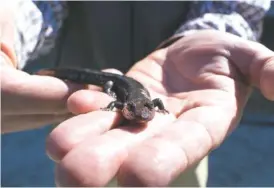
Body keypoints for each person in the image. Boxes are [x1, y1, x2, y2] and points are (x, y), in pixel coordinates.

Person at [1, 0, 274, 187]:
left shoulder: (144, 107)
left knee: (165, 172)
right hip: (82, 100)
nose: (143, 117)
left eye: (147, 113)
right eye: (138, 112)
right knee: (81, 164)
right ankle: (53, 71)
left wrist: (210, 32)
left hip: (171, 110)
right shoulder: (123, 104)